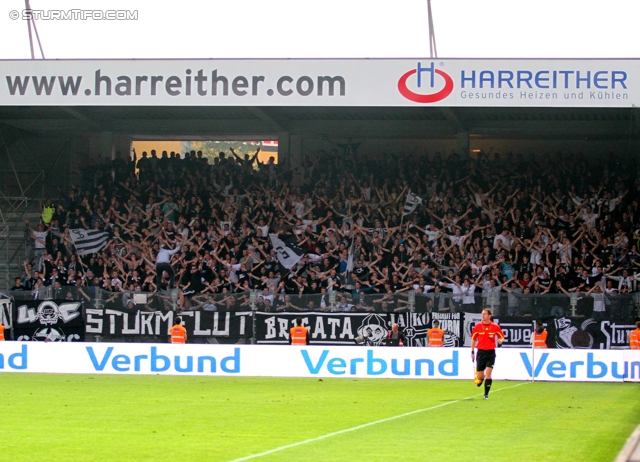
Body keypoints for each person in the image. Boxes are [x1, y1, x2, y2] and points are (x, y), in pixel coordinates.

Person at [471, 308, 504, 400]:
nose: (483, 315)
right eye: (482, 314)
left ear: (489, 316)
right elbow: (473, 339)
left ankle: (486, 395)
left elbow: (501, 336)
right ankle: (480, 379)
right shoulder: (477, 327)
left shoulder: (495, 327)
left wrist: (501, 340)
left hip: (490, 353)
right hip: (481, 352)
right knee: (480, 377)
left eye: (485, 314)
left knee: (489, 374)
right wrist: (472, 351)